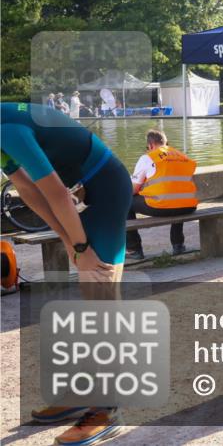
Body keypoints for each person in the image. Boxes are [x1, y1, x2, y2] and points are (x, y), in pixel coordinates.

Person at [1, 102, 131, 444]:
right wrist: (70, 241)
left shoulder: (6, 128)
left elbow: (56, 191)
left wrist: (82, 248)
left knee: (102, 297)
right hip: (85, 188)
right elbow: (28, 189)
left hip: (106, 187)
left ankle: (106, 410)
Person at [125, 130, 198, 260]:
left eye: (147, 148)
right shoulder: (183, 157)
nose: (147, 150)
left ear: (151, 145)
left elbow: (133, 189)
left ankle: (134, 249)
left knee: (125, 201)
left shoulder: (148, 157)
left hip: (162, 207)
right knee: (176, 199)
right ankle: (178, 245)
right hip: (188, 206)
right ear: (165, 143)